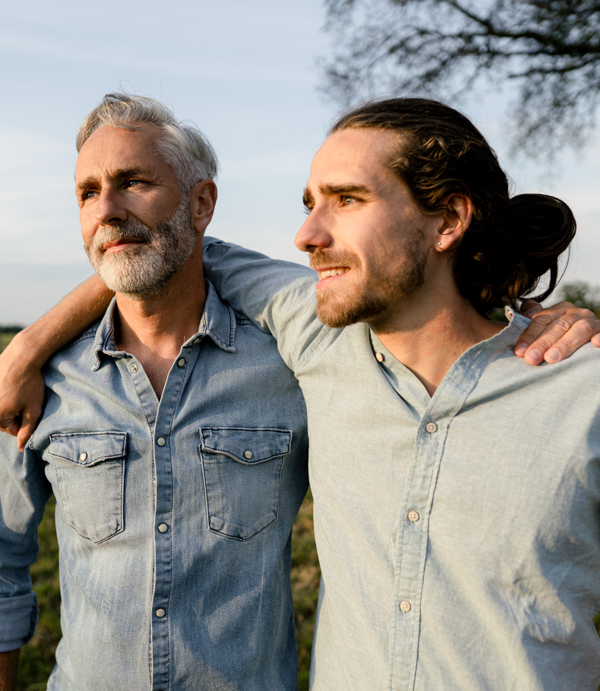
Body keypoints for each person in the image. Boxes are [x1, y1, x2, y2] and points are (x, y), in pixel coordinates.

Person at [1, 98, 600, 690]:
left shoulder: (578, 391)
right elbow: (153, 249)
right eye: (311, 203)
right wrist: (30, 347)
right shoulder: (316, 340)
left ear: (447, 221)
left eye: (346, 199)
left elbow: (180, 242)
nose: (307, 235)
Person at [0, 94, 308, 691]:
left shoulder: (290, 369)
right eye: (87, 193)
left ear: (201, 203)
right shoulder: (44, 380)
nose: (106, 211)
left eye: (133, 181)